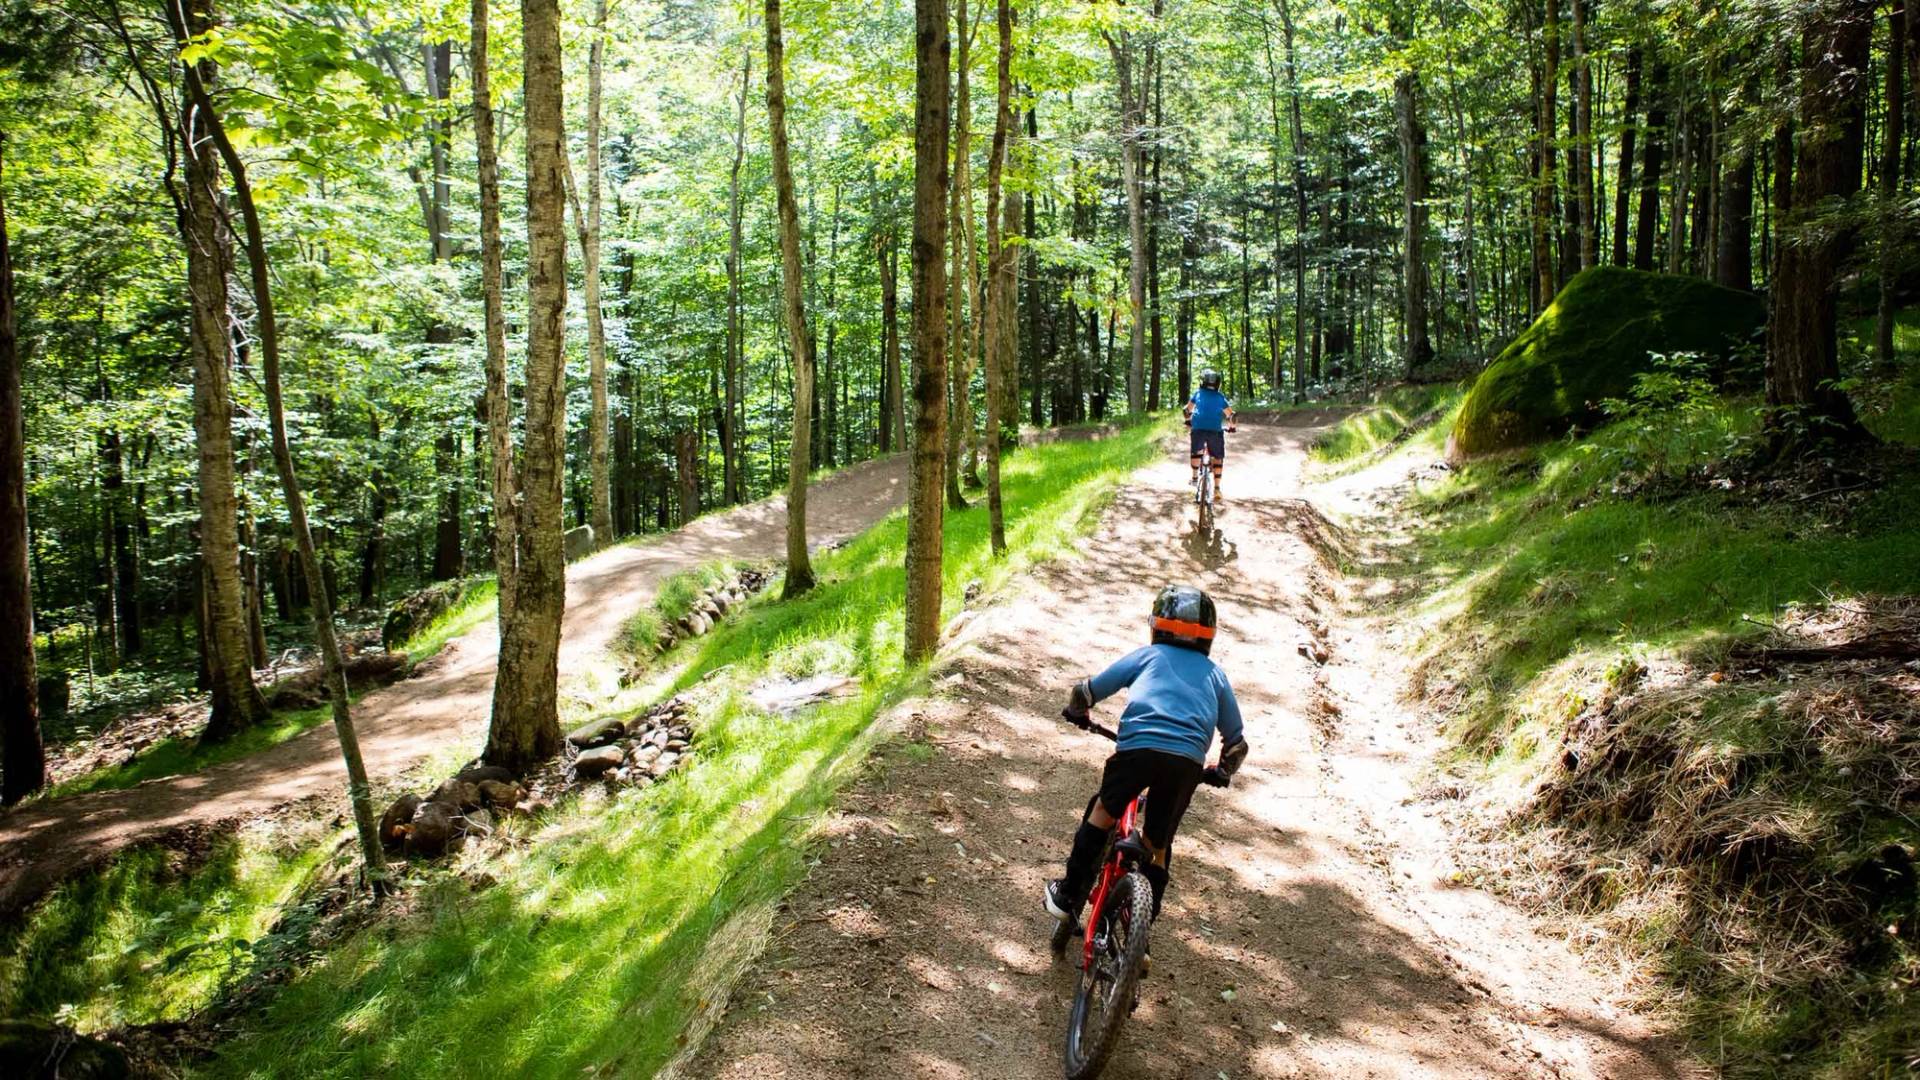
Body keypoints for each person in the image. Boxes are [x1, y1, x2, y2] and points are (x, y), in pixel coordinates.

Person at [1045, 585, 1249, 932]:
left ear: (1156, 625)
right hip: (1185, 764)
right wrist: (1221, 772)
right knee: (1157, 845)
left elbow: (1087, 690)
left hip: (1137, 749)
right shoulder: (1216, 675)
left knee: (1104, 812)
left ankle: (1068, 896)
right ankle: (1141, 930)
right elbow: (1236, 746)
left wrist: (1077, 710)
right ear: (1208, 636)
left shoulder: (1146, 657)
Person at [1183, 370, 1236, 501]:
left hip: (1198, 427)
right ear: (1218, 384)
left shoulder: (1198, 393)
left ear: (1202, 382)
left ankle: (1195, 478)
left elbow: (1186, 410)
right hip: (1215, 430)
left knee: (1196, 451)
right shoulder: (1220, 397)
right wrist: (1232, 427)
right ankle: (1217, 488)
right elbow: (1232, 415)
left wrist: (1188, 420)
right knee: (1217, 458)